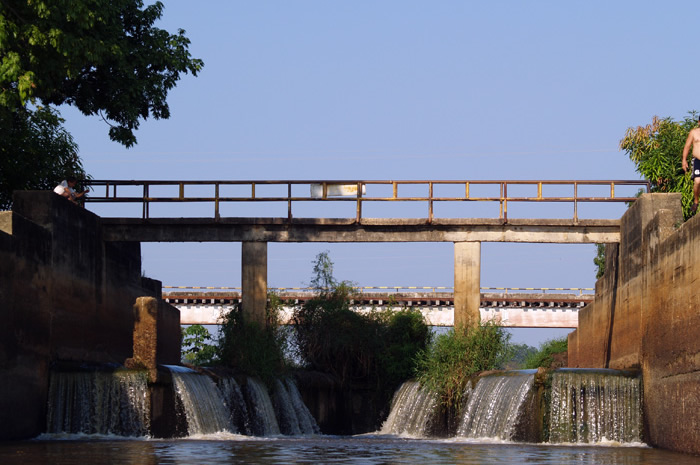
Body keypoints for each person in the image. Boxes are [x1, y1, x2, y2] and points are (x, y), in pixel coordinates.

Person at [682, 116, 700, 214]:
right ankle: (696, 201)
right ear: (699, 122)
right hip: (697, 160)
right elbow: (687, 146)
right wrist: (684, 160)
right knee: (697, 181)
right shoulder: (693, 133)